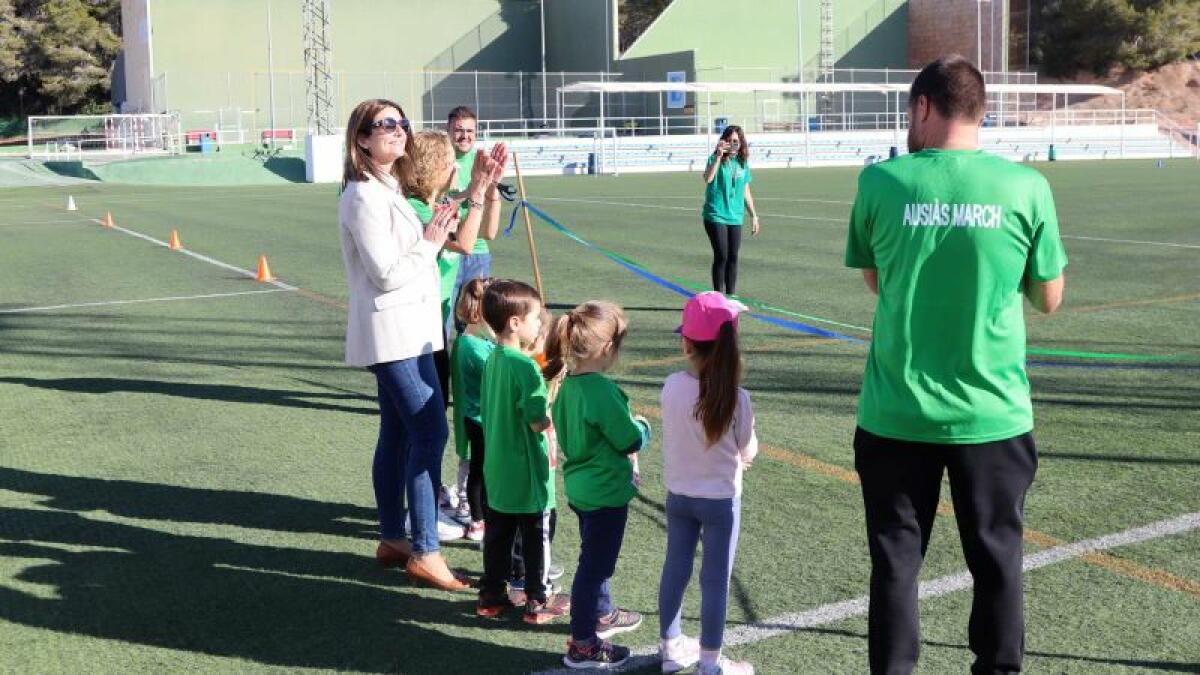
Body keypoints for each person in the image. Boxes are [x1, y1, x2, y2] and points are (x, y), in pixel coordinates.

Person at [843, 56, 1067, 674]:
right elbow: (1049, 298)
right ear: (981, 111)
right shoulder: (1026, 187)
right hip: (993, 414)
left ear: (923, 107)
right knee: (997, 560)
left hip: (896, 412)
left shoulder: (881, 181)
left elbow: (875, 280)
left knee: (895, 563)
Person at [336, 98, 467, 591]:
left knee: (397, 432)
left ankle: (394, 538)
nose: (396, 130)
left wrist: (438, 227)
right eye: (383, 124)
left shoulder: (389, 187)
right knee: (430, 435)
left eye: (400, 123)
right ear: (362, 139)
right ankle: (426, 550)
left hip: (413, 329)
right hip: (393, 333)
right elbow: (386, 274)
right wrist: (433, 240)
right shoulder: (362, 195)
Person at [402, 129, 507, 530]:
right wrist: (478, 187)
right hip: (417, 333)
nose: (454, 168)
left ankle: (421, 508)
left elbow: (484, 231)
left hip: (433, 328)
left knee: (424, 427)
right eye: (448, 161)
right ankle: (419, 516)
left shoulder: (435, 203)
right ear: (434, 168)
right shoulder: (417, 208)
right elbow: (465, 243)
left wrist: (488, 186)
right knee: (423, 430)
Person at [543, 301, 651, 669]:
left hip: (582, 489)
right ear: (607, 349)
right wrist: (642, 427)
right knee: (595, 567)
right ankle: (584, 644)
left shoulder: (567, 385)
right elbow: (628, 440)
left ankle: (602, 614)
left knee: (594, 556)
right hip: (604, 493)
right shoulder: (600, 391)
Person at [657, 291, 759, 675]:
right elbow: (748, 448)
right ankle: (710, 663)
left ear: (687, 343)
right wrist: (744, 455)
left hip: (679, 494)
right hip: (720, 501)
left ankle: (670, 648)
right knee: (715, 580)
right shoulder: (738, 398)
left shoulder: (671, 386)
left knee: (675, 568)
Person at [475, 280, 570, 624]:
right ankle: (537, 599)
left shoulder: (493, 358)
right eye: (534, 320)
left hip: (496, 467)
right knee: (537, 534)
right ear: (514, 323)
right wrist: (550, 390)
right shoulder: (526, 367)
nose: (539, 327)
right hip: (527, 471)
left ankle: (491, 595)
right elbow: (535, 421)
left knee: (498, 535)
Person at [450, 277, 496, 543]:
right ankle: (478, 520)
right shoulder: (472, 346)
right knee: (479, 471)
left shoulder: (478, 341)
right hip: (479, 420)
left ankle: (480, 516)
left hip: (483, 417)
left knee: (481, 469)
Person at [445, 105, 495, 335]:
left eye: (470, 131)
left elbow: (489, 200)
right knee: (442, 322)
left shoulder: (482, 160)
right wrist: (472, 190)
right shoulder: (441, 159)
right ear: (448, 130)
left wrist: (491, 187)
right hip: (449, 249)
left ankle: (471, 369)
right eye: (459, 130)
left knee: (474, 324)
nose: (464, 136)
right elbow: (441, 197)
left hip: (478, 253)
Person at [701, 125, 760, 295]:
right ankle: (718, 298)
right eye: (729, 141)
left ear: (741, 143)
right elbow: (708, 178)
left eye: (736, 141)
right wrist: (719, 157)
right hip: (716, 214)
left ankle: (731, 297)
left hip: (735, 216)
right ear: (723, 142)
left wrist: (754, 216)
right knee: (722, 255)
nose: (733, 144)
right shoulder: (715, 158)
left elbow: (745, 191)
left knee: (733, 257)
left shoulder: (742, 163)